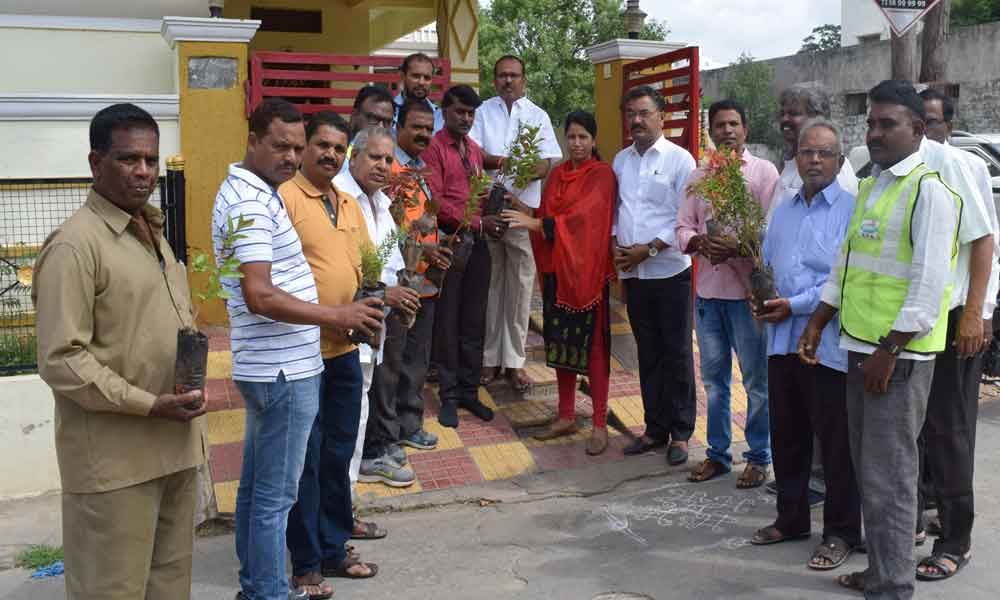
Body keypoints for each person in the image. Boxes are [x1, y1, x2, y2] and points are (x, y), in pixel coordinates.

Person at [33, 103, 206, 599]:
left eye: (151, 160)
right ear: (96, 163)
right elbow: (62, 358)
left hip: (174, 448)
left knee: (170, 588)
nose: (145, 172)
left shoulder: (151, 232)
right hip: (114, 464)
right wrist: (148, 403)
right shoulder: (74, 247)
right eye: (130, 159)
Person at [214, 98, 383, 600]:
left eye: (294, 146)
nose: (290, 157)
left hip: (284, 361)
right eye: (280, 146)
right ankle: (268, 590)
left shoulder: (256, 191)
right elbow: (260, 294)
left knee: (257, 490)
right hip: (282, 367)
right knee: (276, 495)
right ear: (252, 141)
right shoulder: (252, 200)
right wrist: (337, 315)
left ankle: (257, 582)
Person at [799, 80, 961, 598]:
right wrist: (819, 319)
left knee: (890, 475)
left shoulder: (930, 191)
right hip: (859, 349)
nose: (874, 133)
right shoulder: (872, 186)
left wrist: (888, 351)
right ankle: (881, 570)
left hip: (898, 357)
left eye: (887, 124)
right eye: (870, 123)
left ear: (918, 129)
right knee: (870, 469)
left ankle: (893, 584)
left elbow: (928, 288)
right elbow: (847, 265)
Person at [279, 111, 388, 598]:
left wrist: (377, 308)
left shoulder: (347, 203)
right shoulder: (283, 199)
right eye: (321, 144)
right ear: (305, 148)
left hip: (345, 349)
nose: (329, 154)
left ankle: (333, 545)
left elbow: (369, 269)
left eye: (337, 147)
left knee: (338, 452)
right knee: (305, 457)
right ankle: (305, 562)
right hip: (301, 352)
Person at [749, 119, 862, 571]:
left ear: (839, 159)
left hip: (827, 346)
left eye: (824, 153)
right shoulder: (785, 209)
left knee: (835, 445)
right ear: (796, 157)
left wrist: (791, 304)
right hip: (780, 342)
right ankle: (791, 519)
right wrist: (762, 297)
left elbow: (843, 280)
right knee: (789, 436)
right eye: (806, 152)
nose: (814, 160)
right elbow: (770, 264)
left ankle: (840, 532)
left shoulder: (852, 210)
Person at [912, 88, 999, 581]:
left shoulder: (959, 166)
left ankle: (955, 536)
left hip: (952, 318)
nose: (924, 128)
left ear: (946, 125)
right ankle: (918, 513)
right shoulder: (890, 172)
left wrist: (977, 313)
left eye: (931, 120)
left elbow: (986, 243)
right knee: (912, 428)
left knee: (949, 430)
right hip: (906, 323)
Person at [678, 99, 779, 488]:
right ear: (711, 131)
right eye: (719, 125)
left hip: (748, 296)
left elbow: (773, 230)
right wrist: (700, 242)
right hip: (708, 294)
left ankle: (758, 456)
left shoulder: (764, 173)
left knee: (756, 382)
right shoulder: (698, 174)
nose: (727, 131)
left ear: (746, 129)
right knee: (714, 382)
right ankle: (718, 455)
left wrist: (741, 245)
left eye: (733, 124)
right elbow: (681, 227)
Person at [503, 110, 617, 455]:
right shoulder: (555, 176)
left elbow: (585, 219)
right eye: (572, 137)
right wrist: (523, 208)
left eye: (584, 137)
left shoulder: (602, 175)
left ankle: (599, 423)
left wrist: (536, 225)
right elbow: (546, 218)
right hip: (556, 272)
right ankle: (566, 414)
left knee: (594, 349)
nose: (577, 143)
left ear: (594, 140)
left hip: (587, 276)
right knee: (560, 345)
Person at [613, 84, 698, 465]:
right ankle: (654, 428)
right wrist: (620, 246)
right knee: (647, 354)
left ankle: (680, 433)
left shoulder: (681, 161)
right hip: (635, 275)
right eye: (631, 113)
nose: (636, 120)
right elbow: (619, 210)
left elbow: (685, 218)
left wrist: (648, 249)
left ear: (661, 117)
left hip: (669, 272)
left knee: (677, 352)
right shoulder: (621, 161)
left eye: (644, 113)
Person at [333, 127, 420, 488]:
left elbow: (388, 265)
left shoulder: (382, 203)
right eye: (375, 157)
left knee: (358, 413)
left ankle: (345, 505)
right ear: (353, 156)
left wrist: (401, 299)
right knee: (344, 421)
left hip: (373, 329)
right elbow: (340, 270)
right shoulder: (340, 198)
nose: (383, 165)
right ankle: (339, 510)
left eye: (389, 160)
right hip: (342, 329)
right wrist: (389, 295)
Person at [471, 55, 563, 392]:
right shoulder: (481, 113)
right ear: (494, 80)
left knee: (522, 288)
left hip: (523, 211)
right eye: (502, 76)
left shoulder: (537, 115)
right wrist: (505, 163)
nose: (508, 81)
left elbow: (546, 162)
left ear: (524, 80)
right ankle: (491, 358)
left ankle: (515, 362)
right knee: (492, 284)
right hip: (490, 209)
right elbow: (474, 155)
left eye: (514, 75)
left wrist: (519, 174)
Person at [365, 101, 451, 462]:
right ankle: (385, 438)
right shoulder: (389, 168)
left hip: (423, 280)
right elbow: (385, 231)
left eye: (429, 129)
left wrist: (437, 246)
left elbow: (420, 221)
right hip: (395, 281)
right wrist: (422, 250)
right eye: (416, 127)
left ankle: (408, 424)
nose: (423, 135)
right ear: (399, 125)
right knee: (390, 364)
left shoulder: (420, 169)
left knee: (416, 358)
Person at [423, 84, 499, 427]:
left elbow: (480, 196)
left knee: (474, 319)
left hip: (478, 242)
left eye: (471, 113)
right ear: (445, 111)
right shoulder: (435, 149)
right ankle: (449, 396)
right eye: (460, 112)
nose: (466, 118)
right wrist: (481, 221)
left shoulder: (474, 149)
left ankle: (469, 391)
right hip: (450, 243)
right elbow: (436, 204)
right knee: (448, 322)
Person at [766, 84, 858, 222]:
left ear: (818, 118)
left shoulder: (832, 171)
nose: (784, 120)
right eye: (782, 114)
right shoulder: (794, 163)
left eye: (794, 113)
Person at [393, 52, 444, 133]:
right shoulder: (389, 111)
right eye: (416, 76)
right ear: (403, 77)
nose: (421, 82)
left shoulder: (440, 116)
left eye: (427, 78)